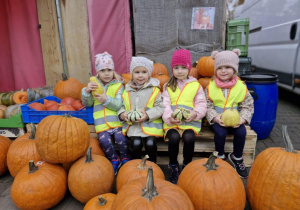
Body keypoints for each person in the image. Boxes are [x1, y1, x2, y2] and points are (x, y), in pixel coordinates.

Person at [204, 49, 254, 178]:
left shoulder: (241, 86)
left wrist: (242, 119)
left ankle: (237, 157)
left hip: (235, 120)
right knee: (220, 132)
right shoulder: (210, 86)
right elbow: (207, 105)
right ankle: (220, 155)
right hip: (218, 119)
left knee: (241, 132)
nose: (223, 70)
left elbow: (247, 106)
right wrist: (215, 117)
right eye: (219, 68)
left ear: (235, 69)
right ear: (215, 70)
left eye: (227, 67)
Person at [162, 49, 207, 184]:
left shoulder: (196, 86)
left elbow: (201, 103)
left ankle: (187, 166)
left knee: (189, 137)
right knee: (174, 138)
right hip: (172, 122)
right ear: (172, 69)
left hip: (190, 121)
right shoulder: (168, 86)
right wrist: (169, 117)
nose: (180, 71)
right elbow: (165, 104)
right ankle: (173, 166)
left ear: (189, 68)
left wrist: (195, 113)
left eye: (183, 67)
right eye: (176, 68)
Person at [81, 52, 130, 175]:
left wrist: (105, 100)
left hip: (116, 122)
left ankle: (125, 158)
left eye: (109, 70)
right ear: (97, 73)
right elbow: (87, 103)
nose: (106, 73)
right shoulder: (93, 86)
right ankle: (114, 159)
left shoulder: (118, 85)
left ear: (113, 71)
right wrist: (86, 92)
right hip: (101, 124)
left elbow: (119, 104)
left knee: (121, 139)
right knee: (104, 141)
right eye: (103, 70)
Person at [118, 57, 164, 163]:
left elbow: (160, 107)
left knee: (150, 144)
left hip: (151, 126)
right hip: (134, 127)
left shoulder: (154, 90)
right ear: (132, 74)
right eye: (137, 72)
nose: (140, 75)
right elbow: (121, 106)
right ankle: (135, 167)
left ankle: (152, 166)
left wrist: (147, 115)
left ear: (149, 74)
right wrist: (122, 115)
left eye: (144, 72)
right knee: (136, 144)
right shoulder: (127, 91)